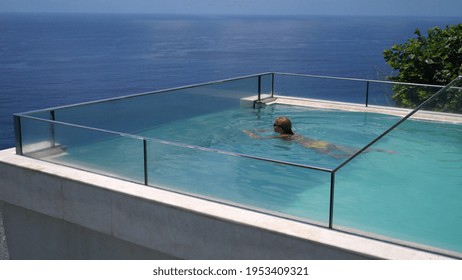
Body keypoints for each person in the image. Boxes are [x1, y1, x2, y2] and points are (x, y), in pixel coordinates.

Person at [243, 116, 358, 158]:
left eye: (275, 125)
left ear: (280, 128)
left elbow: (258, 138)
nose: (273, 126)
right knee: (342, 148)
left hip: (311, 146)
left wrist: (247, 132)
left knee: (336, 156)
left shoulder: (283, 136)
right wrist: (259, 129)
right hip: (318, 142)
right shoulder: (290, 132)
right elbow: (270, 131)